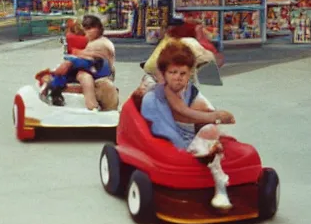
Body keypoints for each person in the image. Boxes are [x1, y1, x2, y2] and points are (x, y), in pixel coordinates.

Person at [139, 39, 237, 210]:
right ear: (164, 74)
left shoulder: (190, 91)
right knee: (208, 128)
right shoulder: (157, 96)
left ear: (189, 73)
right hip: (171, 139)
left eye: (183, 74)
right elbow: (175, 115)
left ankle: (218, 181)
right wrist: (215, 116)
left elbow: (205, 109)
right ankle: (217, 179)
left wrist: (214, 117)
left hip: (193, 134)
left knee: (211, 130)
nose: (177, 78)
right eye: (173, 72)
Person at [43, 15, 116, 110]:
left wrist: (71, 62)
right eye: (86, 29)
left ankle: (91, 104)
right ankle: (54, 91)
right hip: (88, 68)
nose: (87, 32)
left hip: (97, 69)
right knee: (72, 74)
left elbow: (92, 60)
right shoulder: (89, 41)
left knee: (83, 76)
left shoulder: (100, 44)